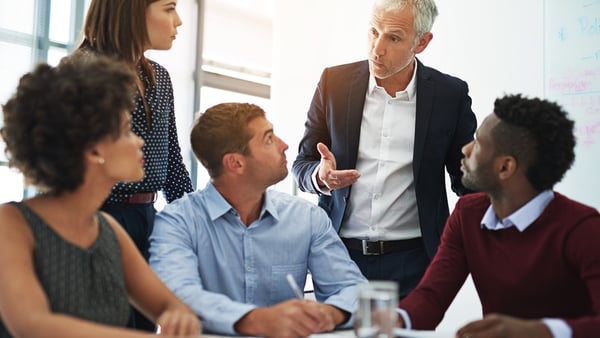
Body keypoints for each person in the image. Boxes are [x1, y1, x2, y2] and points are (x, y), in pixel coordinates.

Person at [0, 54, 201, 338]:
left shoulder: (109, 231)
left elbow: (169, 307)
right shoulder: (11, 223)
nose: (139, 141)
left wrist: (180, 316)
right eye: (125, 131)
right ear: (94, 151)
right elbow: (34, 326)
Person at [292, 0, 477, 297]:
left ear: (422, 42)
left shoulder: (449, 96)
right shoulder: (333, 83)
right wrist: (319, 176)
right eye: (373, 32)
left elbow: (469, 180)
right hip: (338, 257)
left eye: (393, 38)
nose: (377, 49)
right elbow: (302, 164)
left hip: (416, 261)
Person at [149, 102, 368, 337]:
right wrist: (257, 320)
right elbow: (178, 295)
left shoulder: (307, 217)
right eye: (268, 139)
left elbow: (354, 290)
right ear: (235, 163)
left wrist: (331, 313)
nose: (284, 145)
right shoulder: (177, 222)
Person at [397, 94, 600, 338]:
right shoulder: (467, 214)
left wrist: (540, 332)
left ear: (505, 167)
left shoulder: (584, 229)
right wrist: (396, 319)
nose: (465, 149)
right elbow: (432, 296)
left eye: (479, 143)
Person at [77, 0, 194, 330]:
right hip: (98, 214)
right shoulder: (83, 73)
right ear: (131, 10)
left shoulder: (159, 76)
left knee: (144, 322)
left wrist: (194, 223)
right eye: (169, 8)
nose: (179, 21)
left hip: (149, 218)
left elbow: (171, 162)